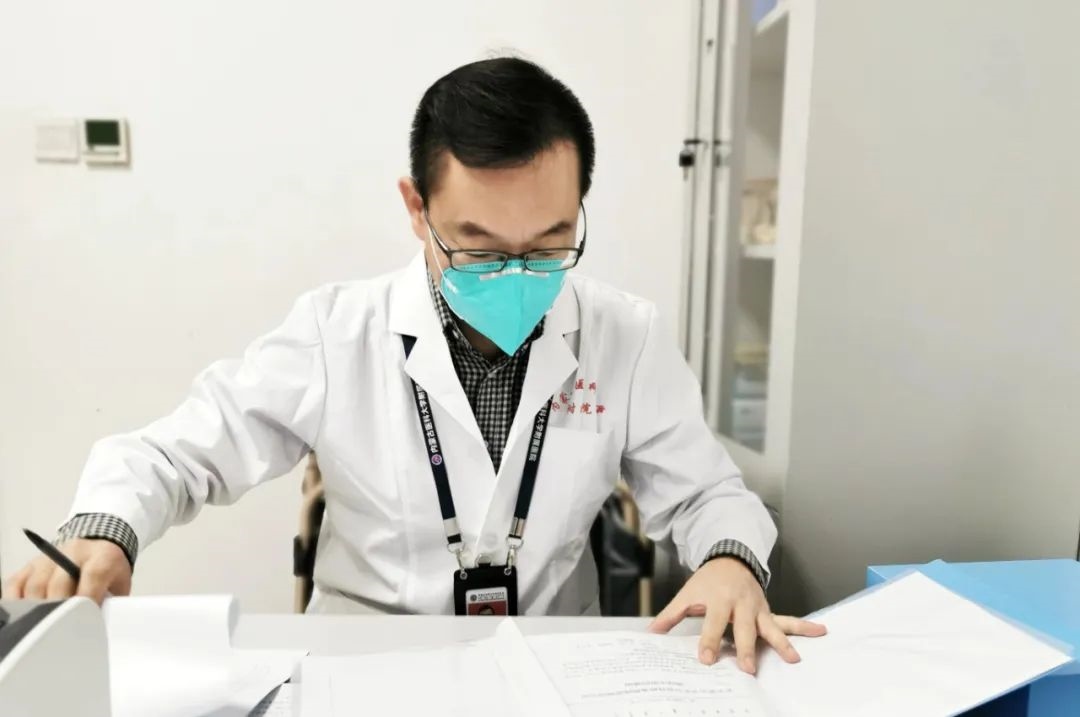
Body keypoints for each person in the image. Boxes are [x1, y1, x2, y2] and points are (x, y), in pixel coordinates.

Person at [3, 56, 824, 671]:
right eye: (478, 247)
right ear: (416, 207)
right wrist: (104, 528)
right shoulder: (336, 332)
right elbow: (174, 453)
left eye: (549, 244)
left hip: (551, 663)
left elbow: (710, 492)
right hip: (365, 664)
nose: (516, 275)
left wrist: (728, 559)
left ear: (578, 208)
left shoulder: (624, 334)